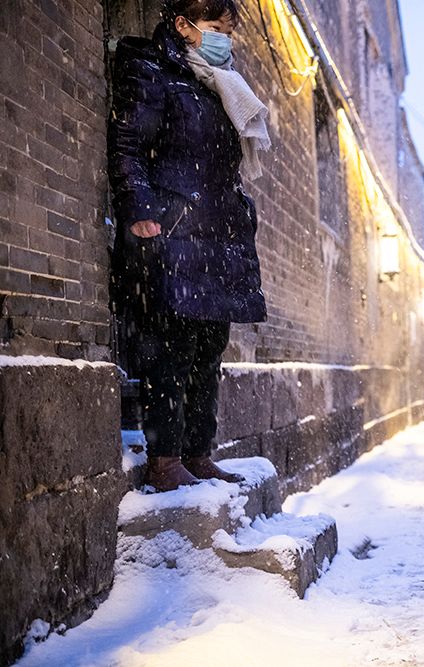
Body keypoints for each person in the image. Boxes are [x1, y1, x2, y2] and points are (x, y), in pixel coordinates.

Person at [108, 0, 271, 492]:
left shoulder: (220, 83)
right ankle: (164, 459)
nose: (226, 38)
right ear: (183, 26)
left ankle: (199, 453)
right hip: (174, 231)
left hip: (217, 235)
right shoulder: (155, 70)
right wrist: (139, 211)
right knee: (171, 347)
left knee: (208, 348)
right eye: (216, 28)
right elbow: (128, 144)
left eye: (229, 30)